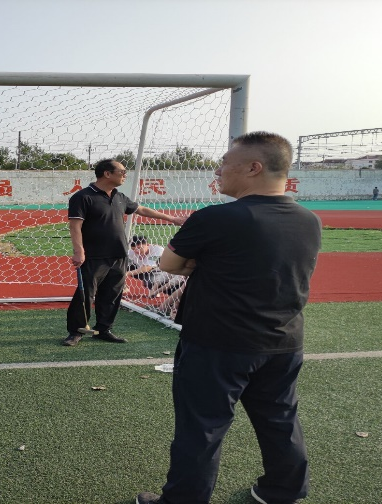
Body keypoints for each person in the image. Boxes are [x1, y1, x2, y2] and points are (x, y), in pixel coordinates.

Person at [135, 132, 322, 504]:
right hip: (284, 342)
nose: (217, 170)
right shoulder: (309, 220)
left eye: (224, 163)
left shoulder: (215, 217)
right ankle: (284, 491)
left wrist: (203, 263)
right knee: (280, 419)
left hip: (218, 344)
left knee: (201, 428)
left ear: (254, 168)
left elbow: (169, 264)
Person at [63, 159, 186, 346]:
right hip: (94, 256)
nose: (125, 175)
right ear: (107, 174)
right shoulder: (82, 197)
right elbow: (75, 226)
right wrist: (79, 251)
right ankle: (76, 331)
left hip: (119, 255)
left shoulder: (119, 197)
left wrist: (171, 218)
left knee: (112, 293)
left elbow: (141, 209)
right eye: (122, 171)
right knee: (85, 294)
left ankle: (104, 329)